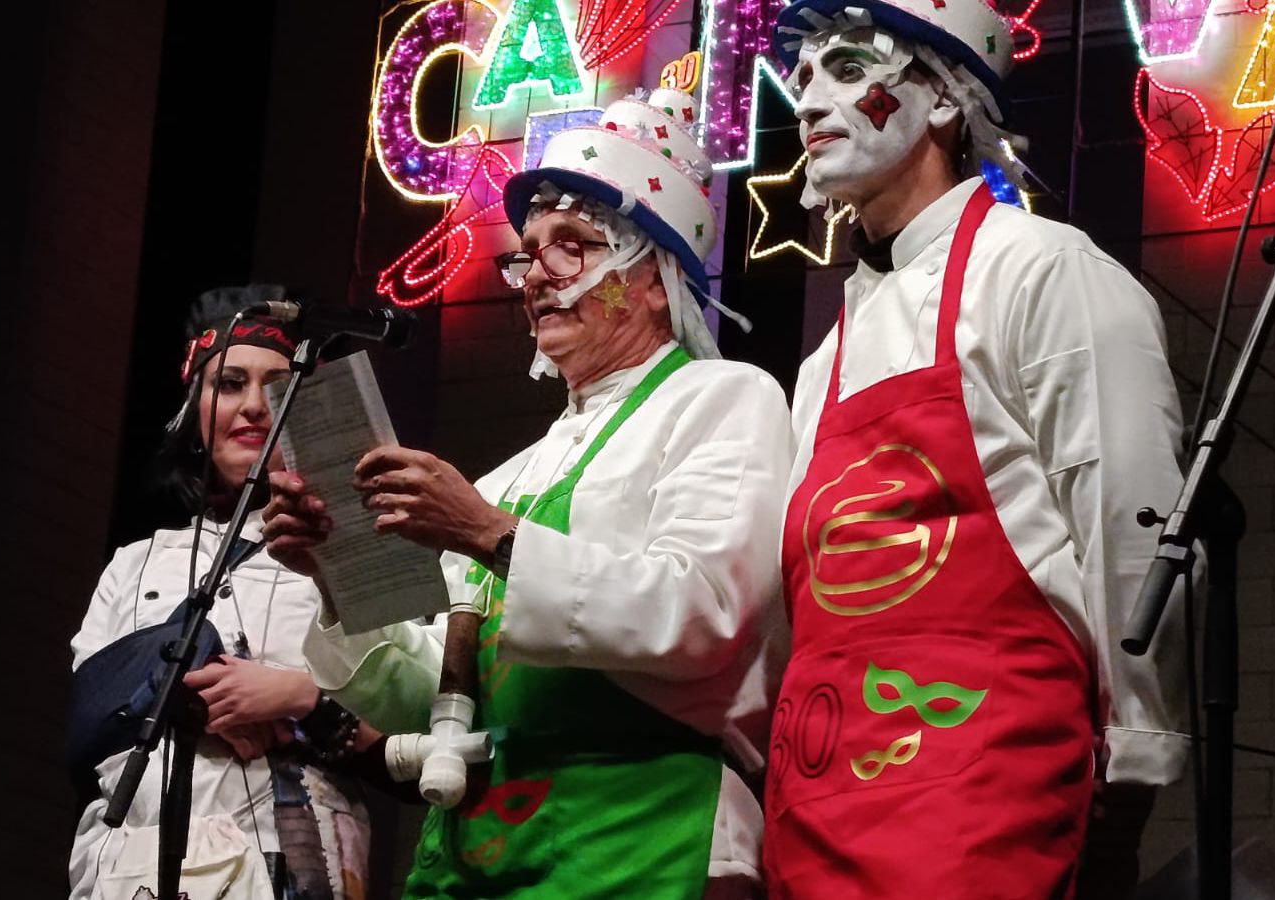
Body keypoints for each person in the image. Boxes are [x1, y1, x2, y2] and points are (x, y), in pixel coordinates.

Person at [262, 87, 792, 899]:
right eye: (527, 254)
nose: (534, 276)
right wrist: (336, 575)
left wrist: (488, 534)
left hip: (644, 830)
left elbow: (704, 614)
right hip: (486, 849)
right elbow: (425, 697)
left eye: (570, 247)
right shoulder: (511, 477)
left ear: (654, 278)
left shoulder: (723, 398)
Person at [763, 2, 1190, 897]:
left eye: (849, 70)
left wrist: (1138, 750)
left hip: (982, 783)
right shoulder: (821, 360)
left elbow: (1128, 513)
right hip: (815, 800)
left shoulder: (1043, 267)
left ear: (945, 99)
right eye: (803, 78)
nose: (807, 102)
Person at [68, 287, 372, 900]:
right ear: (195, 411)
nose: (254, 406)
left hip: (293, 860)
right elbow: (91, 720)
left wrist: (297, 699)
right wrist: (192, 692)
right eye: (230, 384)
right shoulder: (135, 562)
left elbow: (409, 728)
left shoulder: (354, 550)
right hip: (129, 867)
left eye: (277, 387)